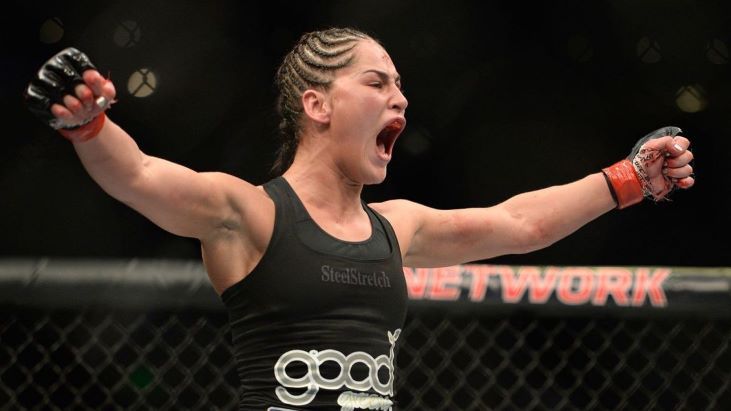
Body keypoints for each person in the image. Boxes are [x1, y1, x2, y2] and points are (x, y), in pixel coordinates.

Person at [25, 27, 694, 411]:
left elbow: (521, 223)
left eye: (400, 85)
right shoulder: (250, 213)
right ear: (318, 105)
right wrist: (89, 125)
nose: (399, 98)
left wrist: (628, 179)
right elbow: (139, 174)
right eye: (376, 83)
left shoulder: (396, 227)